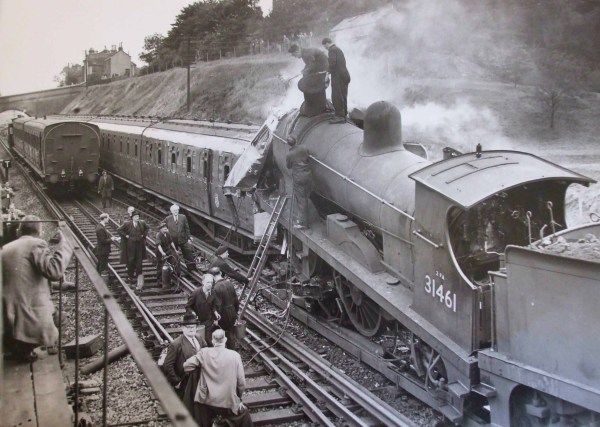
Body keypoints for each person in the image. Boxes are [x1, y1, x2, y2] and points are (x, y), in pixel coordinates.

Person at [2, 216, 73, 362]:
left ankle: (19, 347)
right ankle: (44, 350)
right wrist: (65, 243)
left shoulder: (6, 248)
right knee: (61, 318)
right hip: (27, 316)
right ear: (39, 232)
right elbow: (54, 271)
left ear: (19, 231)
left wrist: (59, 286)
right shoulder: (36, 244)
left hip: (7, 317)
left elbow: (25, 279)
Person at [183, 329, 253, 427]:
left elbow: (186, 366)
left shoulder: (204, 353)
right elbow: (241, 383)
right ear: (225, 340)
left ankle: (215, 424)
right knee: (244, 415)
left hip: (207, 400)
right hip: (227, 401)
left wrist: (201, 367)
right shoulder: (235, 356)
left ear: (212, 341)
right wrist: (238, 398)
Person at [162, 313, 208, 399]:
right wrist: (177, 381)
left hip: (200, 379)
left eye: (193, 327)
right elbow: (167, 365)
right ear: (183, 328)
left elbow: (206, 353)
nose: (192, 329)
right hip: (186, 381)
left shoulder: (199, 338)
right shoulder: (176, 344)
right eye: (189, 327)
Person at [288, 44, 329, 117]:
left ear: (297, 51)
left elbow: (312, 64)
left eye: (294, 55)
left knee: (310, 82)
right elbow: (310, 64)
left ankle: (314, 107)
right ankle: (316, 106)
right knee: (307, 78)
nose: (295, 57)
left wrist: (305, 71)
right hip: (321, 68)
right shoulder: (305, 52)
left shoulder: (305, 54)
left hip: (323, 69)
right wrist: (305, 70)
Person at [186, 274, 221, 346]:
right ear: (203, 282)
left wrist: (215, 312)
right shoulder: (195, 293)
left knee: (208, 339)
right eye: (208, 282)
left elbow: (214, 305)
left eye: (211, 282)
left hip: (208, 320)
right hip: (198, 321)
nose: (210, 284)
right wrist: (192, 313)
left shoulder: (213, 293)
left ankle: (211, 351)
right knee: (199, 339)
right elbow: (188, 306)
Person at [211, 267, 240, 350]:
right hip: (232, 312)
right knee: (231, 333)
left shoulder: (216, 287)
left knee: (221, 334)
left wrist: (216, 319)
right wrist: (236, 313)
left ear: (213, 277)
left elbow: (218, 306)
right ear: (220, 273)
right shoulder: (229, 283)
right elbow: (236, 301)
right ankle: (232, 351)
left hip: (223, 315)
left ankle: (222, 351)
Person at [322, 38, 350, 124]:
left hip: (338, 77)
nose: (325, 48)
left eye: (325, 46)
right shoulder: (337, 49)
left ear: (327, 43)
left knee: (337, 96)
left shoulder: (332, 50)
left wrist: (327, 74)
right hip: (344, 76)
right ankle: (344, 114)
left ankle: (340, 117)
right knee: (343, 95)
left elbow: (332, 63)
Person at [285, 136, 312, 229]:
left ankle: (302, 223)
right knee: (306, 197)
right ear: (296, 141)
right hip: (308, 175)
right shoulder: (304, 147)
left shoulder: (289, 154)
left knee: (301, 200)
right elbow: (308, 158)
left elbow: (288, 166)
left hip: (298, 178)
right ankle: (307, 218)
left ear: (288, 144)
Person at [117, 210, 148, 289]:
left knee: (139, 262)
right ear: (132, 218)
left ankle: (138, 277)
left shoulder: (142, 223)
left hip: (139, 245)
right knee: (131, 261)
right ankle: (130, 276)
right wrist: (125, 236)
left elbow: (147, 228)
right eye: (136, 217)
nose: (137, 218)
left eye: (138, 217)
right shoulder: (127, 224)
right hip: (130, 246)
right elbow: (119, 230)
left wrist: (143, 235)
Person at [165, 204, 197, 272]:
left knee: (188, 253)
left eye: (177, 210)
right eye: (174, 210)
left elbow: (187, 228)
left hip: (183, 239)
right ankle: (176, 270)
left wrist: (189, 237)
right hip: (173, 240)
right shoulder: (168, 219)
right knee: (174, 255)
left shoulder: (183, 217)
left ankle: (191, 267)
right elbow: (163, 226)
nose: (176, 211)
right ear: (171, 211)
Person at [156, 222, 176, 288]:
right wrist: (162, 253)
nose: (166, 229)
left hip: (168, 251)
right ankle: (159, 281)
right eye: (164, 228)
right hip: (160, 252)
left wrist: (175, 250)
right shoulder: (158, 235)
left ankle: (168, 280)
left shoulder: (168, 234)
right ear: (161, 229)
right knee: (160, 267)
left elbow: (171, 242)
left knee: (171, 264)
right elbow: (158, 245)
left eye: (166, 228)